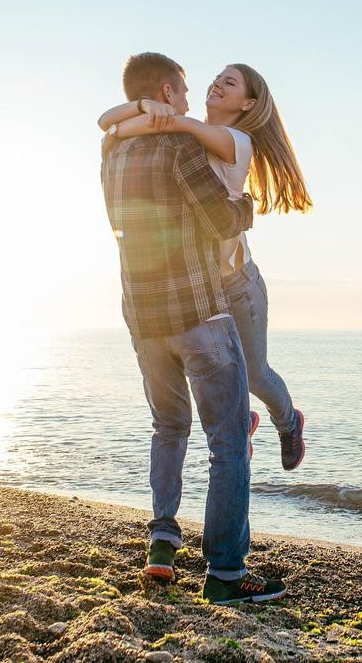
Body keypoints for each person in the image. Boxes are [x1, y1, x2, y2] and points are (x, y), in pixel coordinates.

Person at [100, 52, 285, 604]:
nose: (188, 97)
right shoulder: (182, 147)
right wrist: (246, 204)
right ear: (164, 90)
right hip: (199, 314)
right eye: (181, 89)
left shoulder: (111, 149)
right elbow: (221, 219)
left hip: (141, 316)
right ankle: (227, 574)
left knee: (168, 428)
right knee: (229, 445)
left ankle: (162, 540)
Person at [98, 63, 312, 473]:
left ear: (247, 103)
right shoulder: (185, 130)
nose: (216, 83)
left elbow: (122, 128)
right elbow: (107, 125)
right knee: (215, 379)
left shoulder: (236, 139)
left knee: (254, 373)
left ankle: (288, 421)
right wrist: (142, 107)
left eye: (228, 83)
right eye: (217, 77)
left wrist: (144, 121)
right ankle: (240, 420)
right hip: (198, 283)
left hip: (236, 282)